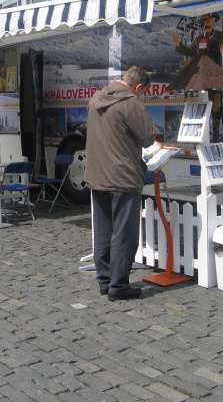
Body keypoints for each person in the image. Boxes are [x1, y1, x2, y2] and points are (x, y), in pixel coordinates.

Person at [85, 66, 157, 301]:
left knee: (103, 232)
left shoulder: (96, 98)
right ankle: (118, 286)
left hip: (98, 175)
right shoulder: (130, 103)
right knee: (124, 234)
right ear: (138, 86)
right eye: (142, 92)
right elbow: (147, 137)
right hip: (123, 176)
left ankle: (105, 281)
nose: (142, 96)